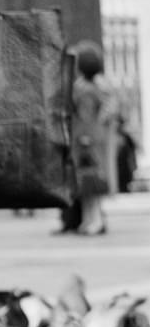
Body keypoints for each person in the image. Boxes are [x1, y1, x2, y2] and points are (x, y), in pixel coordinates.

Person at [60, 40, 124, 236]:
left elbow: (86, 117)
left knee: (90, 184)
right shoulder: (99, 86)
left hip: (87, 138)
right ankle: (90, 220)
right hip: (95, 138)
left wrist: (85, 137)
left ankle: (93, 220)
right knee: (90, 184)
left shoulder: (85, 89)